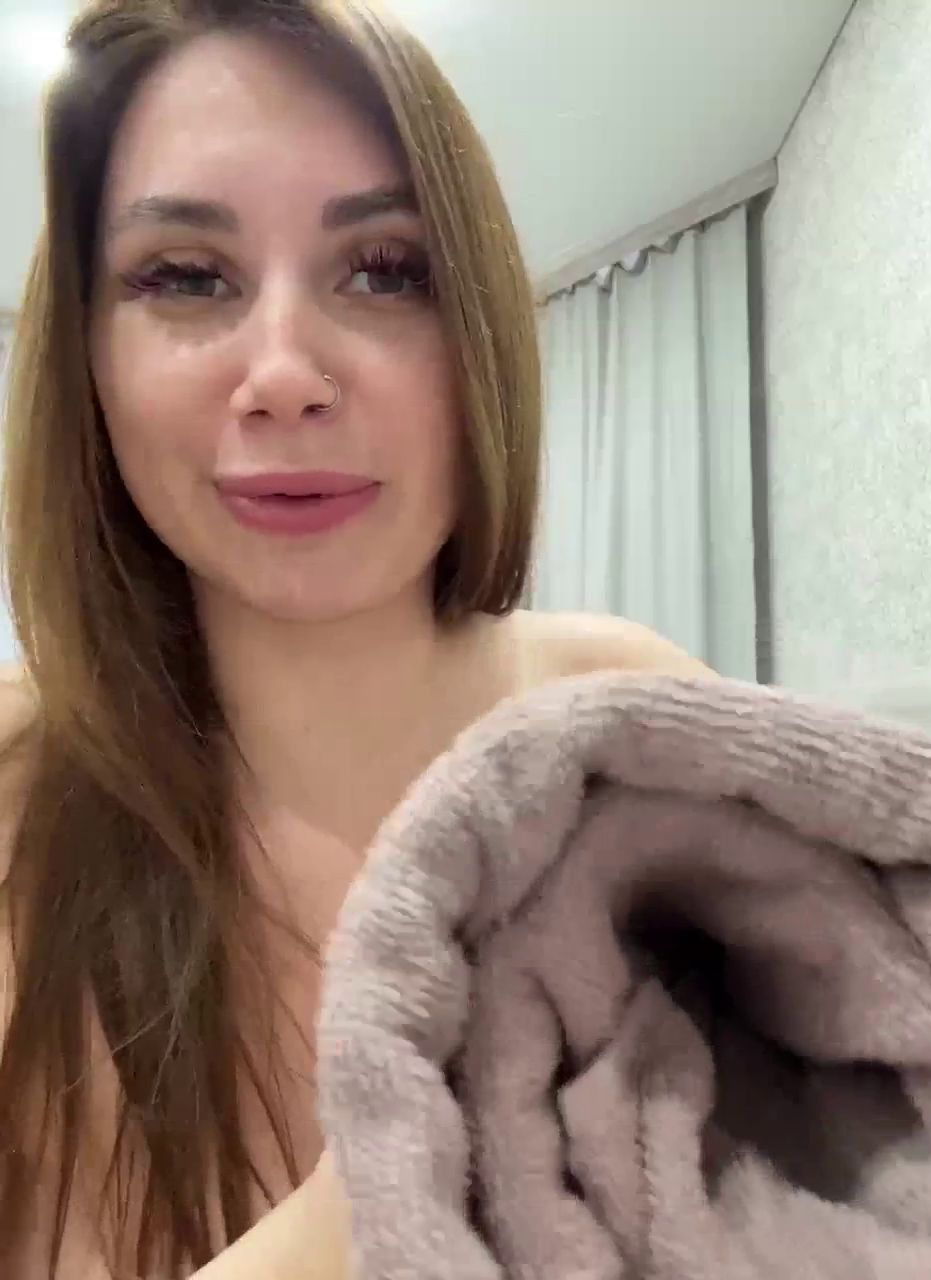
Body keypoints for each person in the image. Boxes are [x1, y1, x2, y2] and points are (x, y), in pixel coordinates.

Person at [0, 1, 710, 1275]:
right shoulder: (15, 797)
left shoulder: (638, 726)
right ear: (88, 360)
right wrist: (405, 1177)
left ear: (477, 331)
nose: (284, 372)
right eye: (186, 277)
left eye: (384, 268)